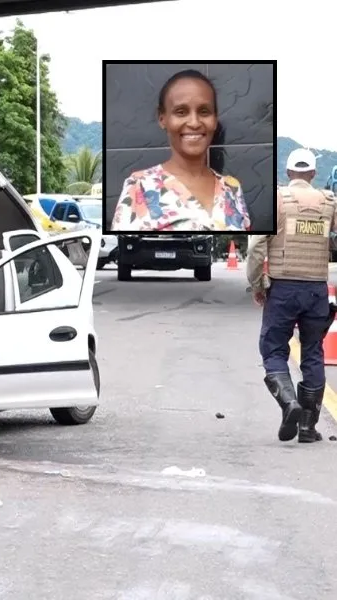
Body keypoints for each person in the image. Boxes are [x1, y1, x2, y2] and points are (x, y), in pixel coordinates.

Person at [246, 147, 337, 444]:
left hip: (283, 288)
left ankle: (289, 403)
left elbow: (256, 246)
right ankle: (308, 429)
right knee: (313, 352)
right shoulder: (329, 202)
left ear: (287, 173)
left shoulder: (276, 200)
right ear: (313, 174)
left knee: (272, 349)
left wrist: (258, 283)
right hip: (316, 289)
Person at [110, 69, 251, 232]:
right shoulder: (139, 186)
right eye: (181, 112)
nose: (194, 122)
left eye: (204, 111)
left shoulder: (231, 188)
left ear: (215, 118)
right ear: (162, 118)